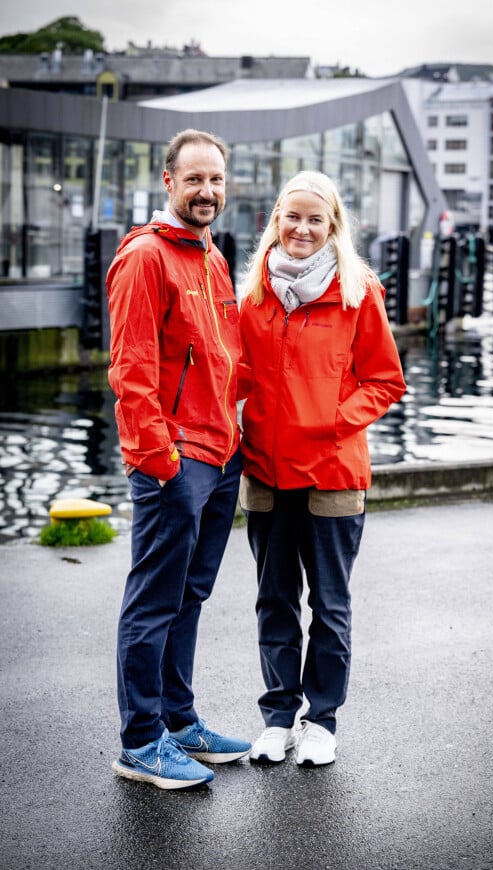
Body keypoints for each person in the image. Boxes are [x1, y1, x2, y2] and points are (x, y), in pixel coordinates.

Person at [237, 171, 406, 766]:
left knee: (329, 604)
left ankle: (322, 720)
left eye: (315, 218)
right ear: (275, 221)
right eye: (292, 216)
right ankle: (278, 716)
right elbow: (239, 376)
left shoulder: (358, 291)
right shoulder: (253, 294)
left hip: (332, 472)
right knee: (274, 599)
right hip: (265, 471)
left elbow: (387, 381)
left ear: (332, 225)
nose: (302, 228)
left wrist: (330, 420)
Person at [106, 129, 251, 790]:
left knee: (190, 595)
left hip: (220, 457)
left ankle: (178, 719)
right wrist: (161, 463)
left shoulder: (211, 257)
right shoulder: (146, 258)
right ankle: (141, 741)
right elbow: (132, 375)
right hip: (175, 462)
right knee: (155, 598)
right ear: (168, 181)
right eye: (194, 179)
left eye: (216, 180)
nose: (207, 192)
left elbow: (226, 357)